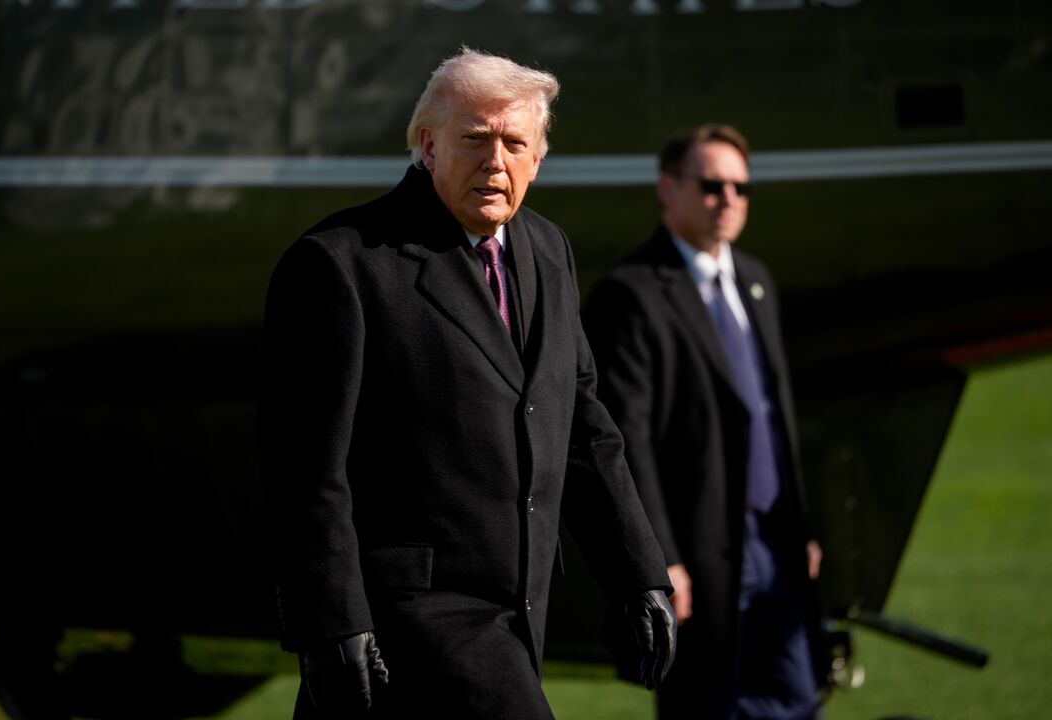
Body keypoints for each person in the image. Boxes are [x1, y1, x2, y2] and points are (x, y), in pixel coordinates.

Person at [258, 48, 676, 720]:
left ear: (538, 158)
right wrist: (331, 623)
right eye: (474, 140)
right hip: (407, 621)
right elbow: (307, 470)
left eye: (516, 143)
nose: (496, 162)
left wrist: (637, 569)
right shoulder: (340, 266)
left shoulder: (548, 251)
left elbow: (582, 426)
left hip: (520, 615)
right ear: (428, 146)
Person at [584, 124, 824, 720]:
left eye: (741, 188)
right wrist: (657, 555)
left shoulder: (756, 280)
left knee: (798, 697)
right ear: (667, 188)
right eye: (712, 185)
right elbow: (625, 438)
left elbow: (772, 415)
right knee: (707, 705)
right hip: (699, 550)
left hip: (773, 540)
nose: (729, 200)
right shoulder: (631, 293)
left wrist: (800, 527)